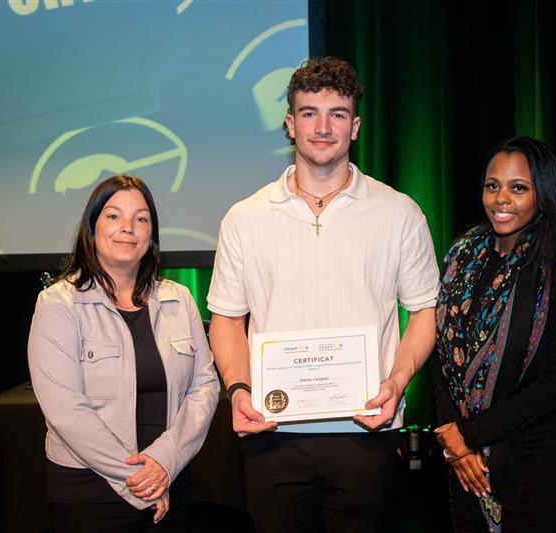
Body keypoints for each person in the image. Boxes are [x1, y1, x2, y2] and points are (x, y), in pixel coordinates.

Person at [206, 56, 439, 533]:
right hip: (270, 431)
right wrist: (239, 389)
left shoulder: (399, 212)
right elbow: (227, 319)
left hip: (365, 429)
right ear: (290, 124)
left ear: (354, 127)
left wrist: (397, 382)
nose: (323, 126)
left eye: (337, 114)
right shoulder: (245, 218)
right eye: (310, 112)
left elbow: (423, 312)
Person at [28, 175, 219, 532]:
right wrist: (140, 480)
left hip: (171, 482)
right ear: (92, 228)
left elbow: (204, 387)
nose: (128, 228)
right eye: (114, 216)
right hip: (89, 493)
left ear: (151, 234)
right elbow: (65, 409)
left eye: (141, 218)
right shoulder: (57, 304)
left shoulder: (179, 299)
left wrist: (163, 463)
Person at [433, 137, 556, 532]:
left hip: (540, 462)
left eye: (518, 187)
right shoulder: (463, 256)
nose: (501, 198)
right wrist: (455, 441)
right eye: (493, 186)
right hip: (465, 464)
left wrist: (467, 436)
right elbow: (442, 355)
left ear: (544, 194)